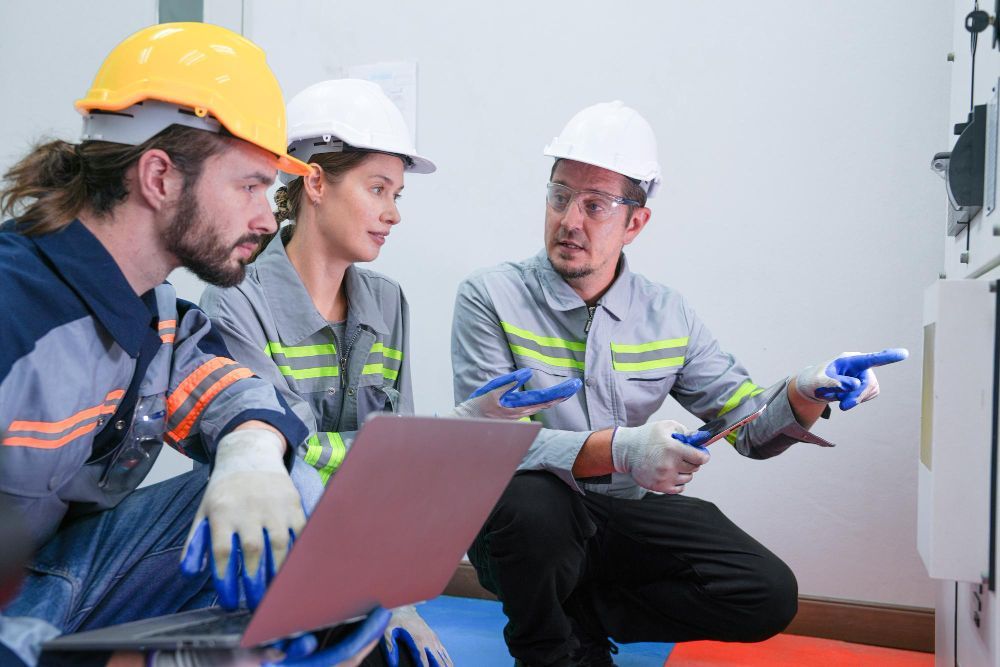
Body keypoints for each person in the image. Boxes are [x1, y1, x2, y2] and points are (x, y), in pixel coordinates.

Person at [450, 100, 908, 667]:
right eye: (560, 195)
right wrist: (623, 450)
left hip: (623, 516)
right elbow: (487, 447)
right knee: (533, 508)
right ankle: (549, 651)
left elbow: (748, 428)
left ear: (635, 223)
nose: (570, 220)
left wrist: (806, 391)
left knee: (766, 592)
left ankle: (580, 619)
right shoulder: (489, 297)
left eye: (595, 205)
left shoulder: (669, 315)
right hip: (527, 518)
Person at [0, 23, 389, 667]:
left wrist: (251, 452)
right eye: (249, 186)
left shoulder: (150, 311)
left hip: (52, 582)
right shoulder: (17, 314)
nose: (268, 218)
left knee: (287, 479)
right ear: (159, 177)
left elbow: (222, 386)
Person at [200, 79, 581, 667]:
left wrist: (394, 597)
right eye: (378, 189)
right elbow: (287, 465)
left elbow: (395, 481)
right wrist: (429, 434)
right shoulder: (234, 301)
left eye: (397, 193)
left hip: (360, 563)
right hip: (268, 557)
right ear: (315, 181)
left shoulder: (387, 302)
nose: (393, 214)